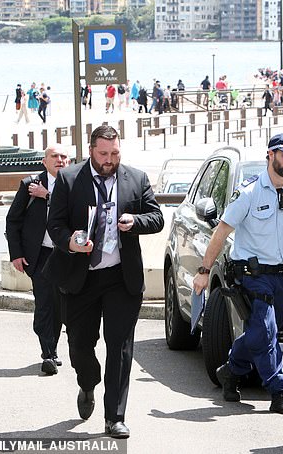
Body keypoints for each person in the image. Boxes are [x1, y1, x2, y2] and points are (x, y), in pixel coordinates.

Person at [45, 125, 164, 438]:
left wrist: (134, 221)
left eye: (115, 153)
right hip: (81, 278)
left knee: (120, 348)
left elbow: (157, 218)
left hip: (121, 279)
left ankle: (115, 417)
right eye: (103, 154)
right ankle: (87, 383)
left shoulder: (136, 179)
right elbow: (54, 223)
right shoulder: (70, 179)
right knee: (80, 346)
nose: (110, 159)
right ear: (90, 150)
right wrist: (70, 241)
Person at [193, 133, 283, 415]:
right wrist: (203, 270)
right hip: (252, 275)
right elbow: (221, 231)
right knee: (267, 330)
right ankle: (279, 390)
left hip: (281, 277)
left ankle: (232, 370)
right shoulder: (248, 192)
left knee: (261, 332)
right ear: (270, 155)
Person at [6, 145, 70, 375]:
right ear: (44, 161)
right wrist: (16, 254)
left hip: (66, 254)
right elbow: (13, 220)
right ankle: (48, 354)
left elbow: (75, 211)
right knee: (44, 303)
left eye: (64, 157)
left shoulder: (73, 184)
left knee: (62, 305)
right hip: (41, 254)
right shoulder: (29, 185)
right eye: (54, 156)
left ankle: (53, 347)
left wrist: (48, 196)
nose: (60, 160)